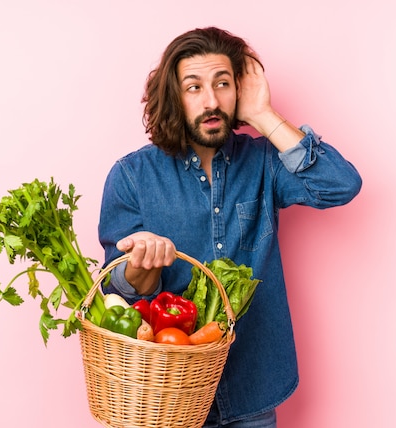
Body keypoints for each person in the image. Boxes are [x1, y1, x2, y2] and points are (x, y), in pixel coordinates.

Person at [98, 26, 362, 428]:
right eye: (194, 87)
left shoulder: (265, 163)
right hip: (165, 395)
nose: (211, 101)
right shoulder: (131, 176)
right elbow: (114, 292)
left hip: (253, 387)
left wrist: (262, 114)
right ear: (174, 96)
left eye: (223, 84)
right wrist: (142, 265)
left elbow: (340, 185)